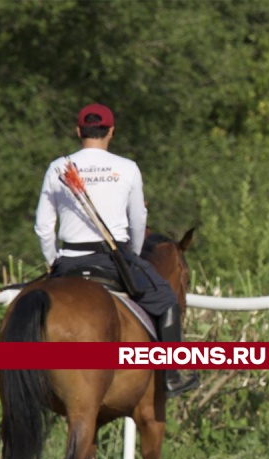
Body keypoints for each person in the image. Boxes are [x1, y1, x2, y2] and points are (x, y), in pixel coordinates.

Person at [34, 103, 199, 397]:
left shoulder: (57, 167)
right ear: (111, 131)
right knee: (167, 301)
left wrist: (53, 262)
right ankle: (172, 376)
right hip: (113, 261)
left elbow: (43, 227)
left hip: (68, 262)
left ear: (78, 131)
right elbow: (138, 220)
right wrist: (132, 256)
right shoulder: (127, 168)